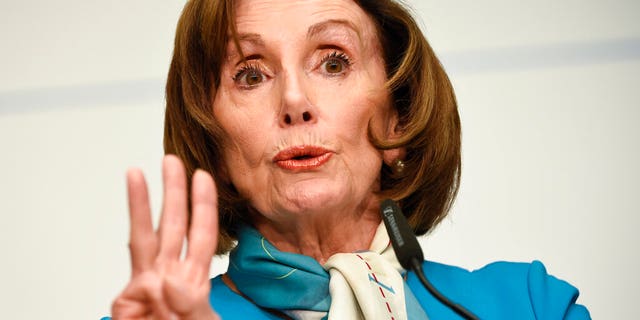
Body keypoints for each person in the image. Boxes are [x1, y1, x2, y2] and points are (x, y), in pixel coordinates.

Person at [108, 0, 591, 319]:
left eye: (334, 62)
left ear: (398, 117)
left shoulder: (530, 305)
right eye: (251, 75)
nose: (294, 100)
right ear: (211, 137)